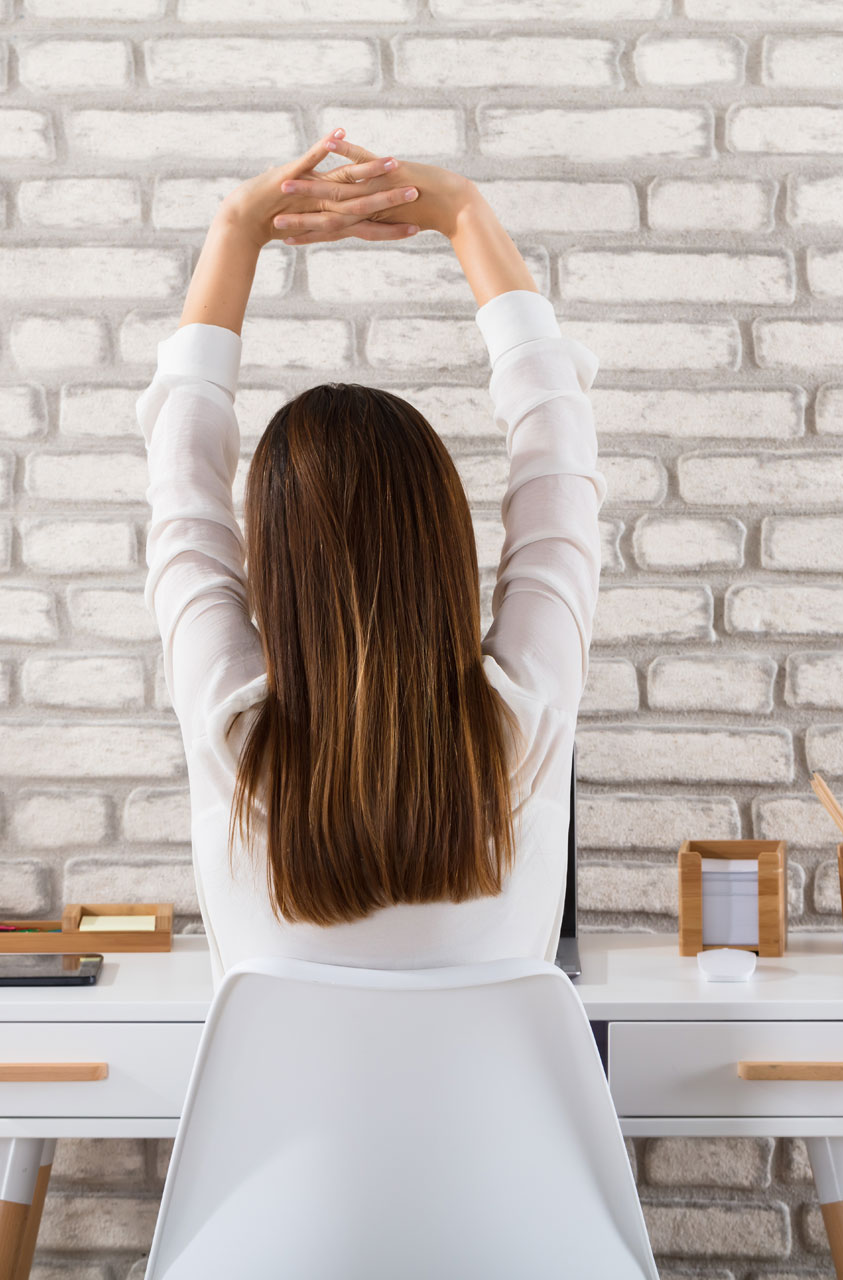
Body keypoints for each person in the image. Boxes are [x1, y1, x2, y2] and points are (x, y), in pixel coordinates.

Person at [136, 128, 604, 981]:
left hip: (275, 1124)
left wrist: (236, 229)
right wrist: (465, 214)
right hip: (493, 1123)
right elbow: (557, 455)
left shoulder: (228, 726)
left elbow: (181, 479)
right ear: (443, 542)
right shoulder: (526, 715)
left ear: (272, 565)